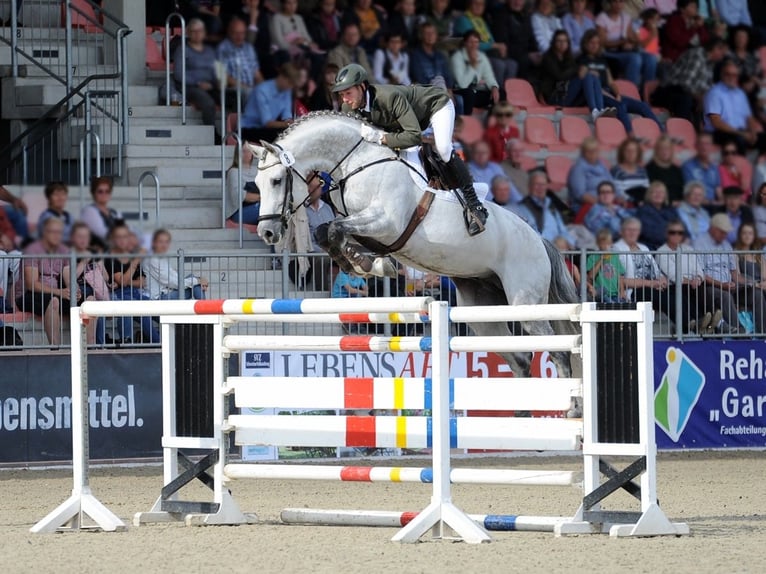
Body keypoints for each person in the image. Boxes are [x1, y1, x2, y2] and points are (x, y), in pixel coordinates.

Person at [332, 62, 489, 236]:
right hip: (404, 124)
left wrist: (382, 137)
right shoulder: (349, 107)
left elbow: (414, 136)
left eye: (348, 93)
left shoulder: (388, 97)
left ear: (362, 87)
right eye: (341, 95)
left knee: (443, 149)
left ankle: (475, 205)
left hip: (435, 107)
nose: (344, 99)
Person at [578, 29, 663, 135]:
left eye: (597, 43)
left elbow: (611, 82)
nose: (595, 46)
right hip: (598, 96)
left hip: (610, 93)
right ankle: (630, 135)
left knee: (643, 106)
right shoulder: (581, 60)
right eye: (592, 43)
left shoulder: (602, 61)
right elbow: (583, 81)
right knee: (620, 106)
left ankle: (663, 133)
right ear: (585, 44)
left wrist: (617, 94)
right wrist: (608, 95)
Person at [695, 212, 762, 333]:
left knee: (756, 293)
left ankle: (763, 332)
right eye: (722, 231)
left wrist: (753, 283)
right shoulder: (699, 243)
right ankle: (740, 332)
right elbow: (701, 274)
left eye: (726, 232)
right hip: (709, 288)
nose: (725, 234)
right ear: (713, 228)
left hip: (729, 286)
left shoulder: (726, 245)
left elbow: (735, 275)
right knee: (724, 295)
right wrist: (722, 285)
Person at [15, 218, 76, 346]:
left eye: (59, 232)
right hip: (29, 295)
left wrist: (75, 291)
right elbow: (32, 284)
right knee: (54, 301)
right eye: (52, 232)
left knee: (88, 301)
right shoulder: (32, 250)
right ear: (44, 232)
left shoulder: (63, 250)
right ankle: (56, 349)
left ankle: (90, 348)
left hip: (54, 294)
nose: (56, 235)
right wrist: (60, 292)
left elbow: (68, 276)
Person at [540, 28, 616, 120]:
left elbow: (575, 74)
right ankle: (594, 111)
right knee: (586, 75)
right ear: (554, 43)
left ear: (568, 43)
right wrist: (579, 69)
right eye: (559, 41)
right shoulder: (548, 58)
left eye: (564, 41)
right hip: (555, 97)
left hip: (568, 95)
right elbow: (559, 76)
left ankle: (600, 109)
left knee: (592, 76)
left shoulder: (569, 58)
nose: (562, 44)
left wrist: (584, 71)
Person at [655, 220, 715, 334]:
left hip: (693, 284)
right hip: (674, 286)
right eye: (673, 232)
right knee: (690, 289)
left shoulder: (688, 249)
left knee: (703, 289)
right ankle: (704, 322)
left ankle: (708, 321)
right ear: (667, 234)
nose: (676, 235)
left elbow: (699, 270)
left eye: (680, 233)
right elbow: (673, 275)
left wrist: (697, 279)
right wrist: (690, 281)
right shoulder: (661, 252)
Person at [105, 223, 160, 344]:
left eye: (125, 236)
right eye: (118, 237)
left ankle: (170, 339)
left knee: (156, 308)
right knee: (141, 311)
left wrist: (126, 280)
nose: (122, 240)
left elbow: (142, 282)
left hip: (135, 293)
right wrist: (135, 263)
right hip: (119, 295)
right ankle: (158, 343)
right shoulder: (110, 257)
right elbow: (122, 282)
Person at [654, 37, 726, 123]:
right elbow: (686, 84)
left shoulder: (711, 63)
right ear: (715, 48)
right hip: (669, 90)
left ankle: (700, 133)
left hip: (687, 93)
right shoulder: (697, 55)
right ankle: (680, 129)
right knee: (687, 100)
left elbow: (707, 87)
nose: (723, 54)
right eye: (722, 51)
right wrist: (700, 98)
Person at [703, 59, 766, 154]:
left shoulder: (740, 93)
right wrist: (742, 134)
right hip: (720, 133)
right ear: (722, 75)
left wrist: (753, 132)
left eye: (735, 75)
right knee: (738, 140)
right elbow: (716, 122)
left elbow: (748, 117)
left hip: (741, 132)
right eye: (728, 74)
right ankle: (739, 167)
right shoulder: (714, 93)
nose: (732, 78)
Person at [174, 19, 220, 140]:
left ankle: (238, 134)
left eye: (200, 31)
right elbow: (178, 74)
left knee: (236, 96)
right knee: (208, 103)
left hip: (211, 85)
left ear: (204, 33)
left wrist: (216, 83)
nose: (197, 34)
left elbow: (217, 71)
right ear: (188, 33)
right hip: (190, 87)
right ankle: (212, 135)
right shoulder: (182, 49)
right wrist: (198, 83)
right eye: (193, 31)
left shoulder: (210, 51)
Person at [613, 217, 670, 315]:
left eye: (635, 230)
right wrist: (650, 283)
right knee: (663, 297)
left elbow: (655, 269)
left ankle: (695, 322)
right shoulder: (615, 249)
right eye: (629, 230)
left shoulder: (644, 248)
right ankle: (689, 324)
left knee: (679, 292)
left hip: (653, 286)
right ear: (621, 232)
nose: (632, 233)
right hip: (635, 291)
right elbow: (619, 280)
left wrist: (662, 280)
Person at [454, 0, 518, 85]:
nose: (479, 6)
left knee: (512, 64)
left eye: (482, 4)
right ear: (469, 4)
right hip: (473, 55)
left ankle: (509, 94)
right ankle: (497, 94)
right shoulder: (463, 20)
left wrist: (498, 47)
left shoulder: (481, 21)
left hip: (488, 54)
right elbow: (473, 44)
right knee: (499, 65)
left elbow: (491, 41)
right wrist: (494, 45)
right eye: (476, 3)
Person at [595, 0, 657, 87]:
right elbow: (602, 43)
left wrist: (632, 43)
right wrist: (622, 42)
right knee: (635, 59)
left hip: (625, 51)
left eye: (621, 2)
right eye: (615, 2)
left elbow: (633, 38)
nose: (618, 5)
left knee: (651, 58)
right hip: (609, 53)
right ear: (610, 3)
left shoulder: (625, 17)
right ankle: (632, 92)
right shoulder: (602, 18)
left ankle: (647, 92)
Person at [64, 222, 107, 345]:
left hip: (95, 292)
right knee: (90, 303)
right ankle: (91, 343)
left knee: (95, 302)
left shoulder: (94, 255)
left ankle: (95, 343)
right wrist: (83, 262)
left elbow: (106, 278)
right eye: (79, 236)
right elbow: (70, 278)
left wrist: (99, 263)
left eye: (86, 237)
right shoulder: (69, 254)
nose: (83, 240)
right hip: (77, 293)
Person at [240, 62, 301, 143]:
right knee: (279, 136)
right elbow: (266, 123)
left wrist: (290, 122)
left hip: (264, 129)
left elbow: (286, 115)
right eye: (290, 83)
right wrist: (289, 124)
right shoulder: (262, 90)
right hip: (248, 129)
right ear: (282, 77)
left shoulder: (287, 91)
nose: (291, 87)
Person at [514, 170, 577, 245]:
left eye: (543, 184)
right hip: (536, 250)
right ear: (529, 186)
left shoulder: (552, 208)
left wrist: (566, 241)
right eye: (537, 184)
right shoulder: (520, 209)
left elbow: (564, 232)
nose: (540, 188)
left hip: (556, 251)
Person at [145, 229, 208, 300]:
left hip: (167, 292)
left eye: (166, 242)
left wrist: (197, 279)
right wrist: (197, 281)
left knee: (193, 279)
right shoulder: (152, 259)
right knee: (195, 284)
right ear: (154, 243)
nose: (164, 245)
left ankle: (205, 308)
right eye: (160, 242)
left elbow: (174, 276)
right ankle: (206, 308)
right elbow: (171, 282)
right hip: (159, 298)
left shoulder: (160, 258)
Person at [451, 30, 501, 115]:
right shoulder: (457, 57)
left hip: (476, 91)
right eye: (471, 42)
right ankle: (466, 123)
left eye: (476, 42)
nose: (474, 45)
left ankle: (492, 122)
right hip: (460, 90)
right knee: (469, 93)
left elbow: (489, 76)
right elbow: (462, 84)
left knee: (500, 93)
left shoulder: (481, 56)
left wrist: (494, 87)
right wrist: (472, 65)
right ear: (465, 43)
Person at [216, 16, 264, 103]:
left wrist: (263, 88)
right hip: (233, 89)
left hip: (251, 89)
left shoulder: (249, 48)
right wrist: (244, 86)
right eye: (236, 33)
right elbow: (222, 74)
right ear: (229, 32)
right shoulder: (222, 48)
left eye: (242, 33)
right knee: (250, 94)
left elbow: (257, 74)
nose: (239, 36)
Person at [491, 0, 542, 80]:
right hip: (511, 54)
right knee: (525, 62)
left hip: (525, 53)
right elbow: (503, 43)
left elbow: (531, 38)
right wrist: (528, 54)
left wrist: (535, 52)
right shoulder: (501, 15)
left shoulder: (525, 15)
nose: (518, 2)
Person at [567, 136, 615, 214]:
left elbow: (612, 184)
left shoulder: (602, 165)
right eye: (589, 151)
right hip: (585, 206)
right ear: (583, 152)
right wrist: (602, 204)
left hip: (605, 202)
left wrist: (619, 198)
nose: (592, 153)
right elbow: (580, 195)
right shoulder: (578, 169)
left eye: (595, 150)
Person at [79, 176, 123, 251]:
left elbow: (124, 231)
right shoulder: (89, 211)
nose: (104, 194)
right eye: (100, 191)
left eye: (107, 191)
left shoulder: (114, 213)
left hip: (115, 250)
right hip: (99, 253)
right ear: (93, 193)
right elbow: (103, 234)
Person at [586, 227, 627, 302]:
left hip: (615, 293)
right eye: (603, 243)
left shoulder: (615, 256)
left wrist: (622, 292)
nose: (606, 246)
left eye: (608, 243)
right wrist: (601, 259)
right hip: (602, 293)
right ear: (598, 243)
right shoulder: (592, 257)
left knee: (624, 306)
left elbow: (620, 277)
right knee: (611, 305)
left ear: (611, 243)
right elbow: (591, 276)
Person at [410, 22, 454, 89]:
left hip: (443, 89)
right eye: (427, 33)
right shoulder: (415, 55)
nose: (430, 35)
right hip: (427, 91)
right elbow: (419, 78)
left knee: (460, 98)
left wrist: (449, 88)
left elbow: (448, 76)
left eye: (433, 33)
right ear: (421, 35)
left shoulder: (440, 55)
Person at [636, 181, 679, 249]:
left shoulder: (671, 210)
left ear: (665, 195)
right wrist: (673, 237)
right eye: (654, 192)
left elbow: (680, 227)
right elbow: (649, 233)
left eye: (661, 192)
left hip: (672, 246)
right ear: (649, 195)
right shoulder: (643, 211)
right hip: (653, 248)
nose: (658, 194)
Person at [226, 141, 261, 225]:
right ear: (238, 153)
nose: (247, 153)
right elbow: (237, 195)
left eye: (249, 150)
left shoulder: (258, 170)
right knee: (265, 209)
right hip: (239, 211)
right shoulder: (233, 171)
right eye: (243, 151)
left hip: (258, 205)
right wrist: (261, 198)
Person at [681, 133, 722, 204]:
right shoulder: (688, 166)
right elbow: (689, 192)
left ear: (711, 147)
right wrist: (710, 202)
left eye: (707, 144)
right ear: (696, 146)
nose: (704, 147)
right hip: (696, 204)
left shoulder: (714, 167)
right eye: (701, 144)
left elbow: (718, 189)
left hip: (713, 205)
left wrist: (722, 201)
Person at [645, 135, 685, 205]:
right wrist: (671, 202)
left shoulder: (676, 170)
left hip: (680, 205)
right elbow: (650, 194)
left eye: (667, 148)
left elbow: (682, 190)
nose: (665, 151)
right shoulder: (649, 169)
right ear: (656, 150)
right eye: (661, 149)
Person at [610, 137, 650, 203]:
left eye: (634, 151)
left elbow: (647, 190)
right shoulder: (617, 171)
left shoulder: (642, 171)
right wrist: (635, 201)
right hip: (626, 205)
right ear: (622, 153)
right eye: (627, 150)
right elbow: (618, 193)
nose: (631, 153)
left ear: (638, 153)